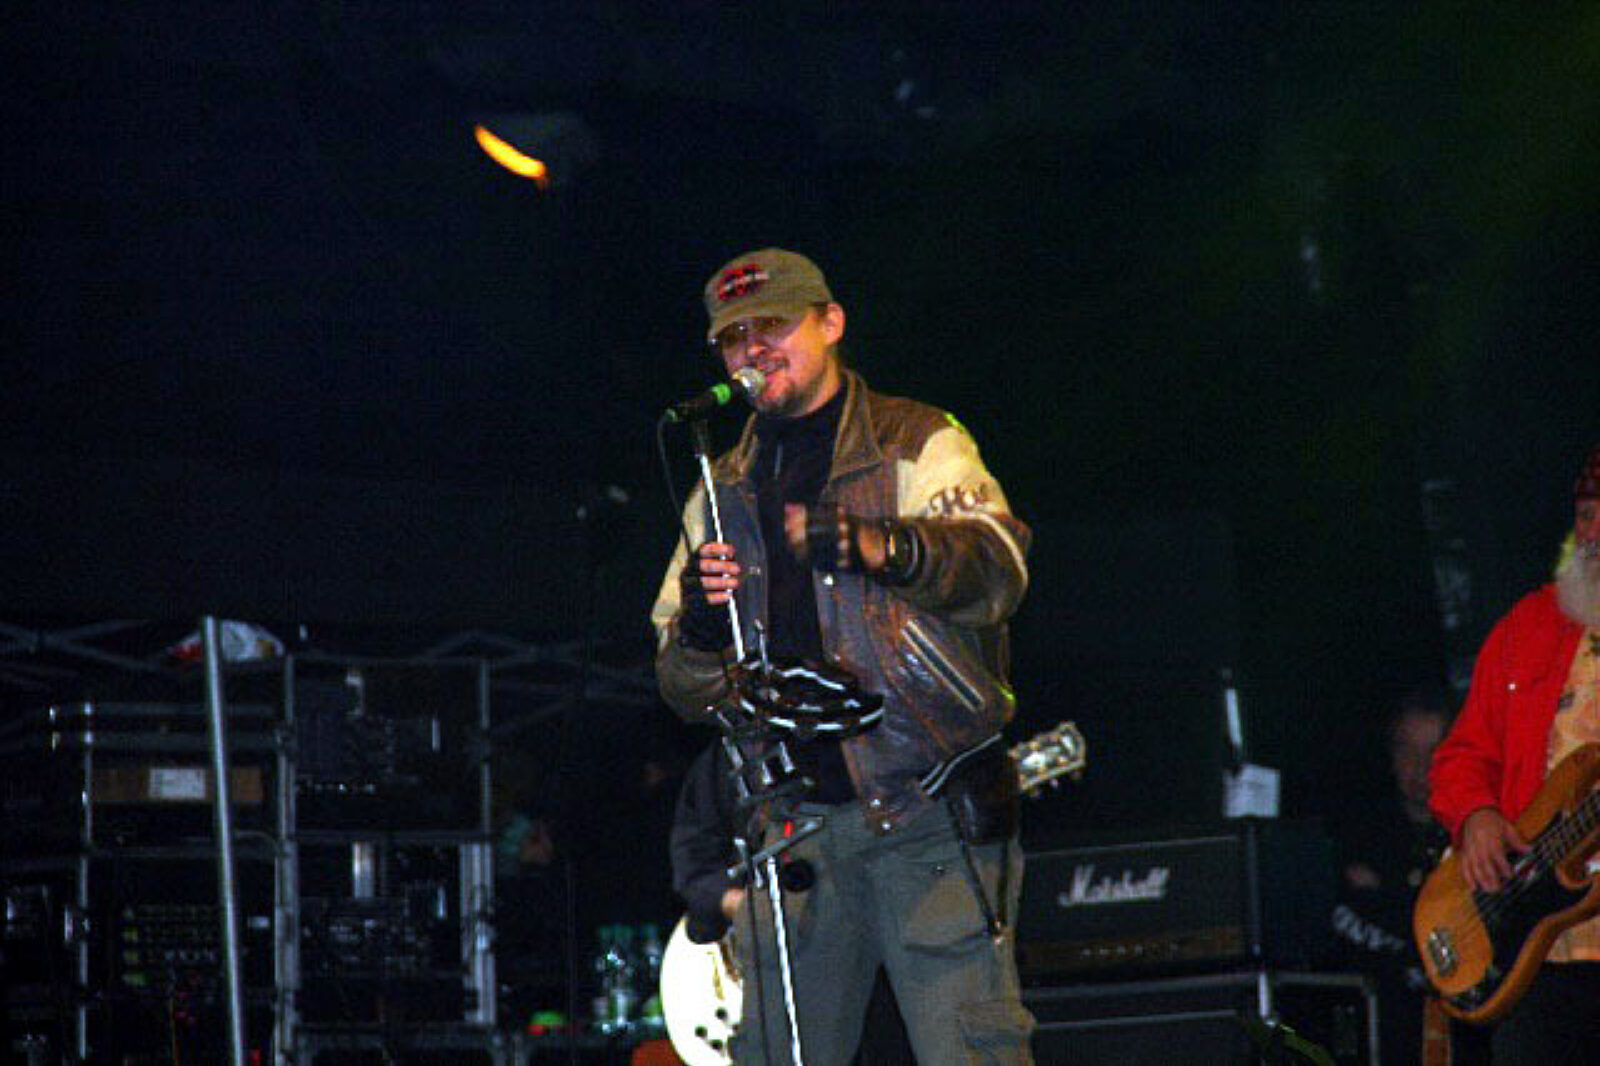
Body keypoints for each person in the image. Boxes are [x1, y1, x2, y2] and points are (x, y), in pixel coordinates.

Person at [651, 248, 1035, 1064]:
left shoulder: (914, 439)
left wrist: (884, 545)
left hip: (928, 817)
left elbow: (1000, 572)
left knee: (973, 1053)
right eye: (733, 338)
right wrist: (701, 632)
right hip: (796, 836)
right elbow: (679, 689)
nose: (753, 349)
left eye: (773, 326)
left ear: (830, 323)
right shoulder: (719, 489)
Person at [1428, 441, 1600, 1064]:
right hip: (1539, 954)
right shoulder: (1530, 624)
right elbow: (1462, 756)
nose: (1593, 533)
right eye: (1586, 515)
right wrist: (1475, 816)